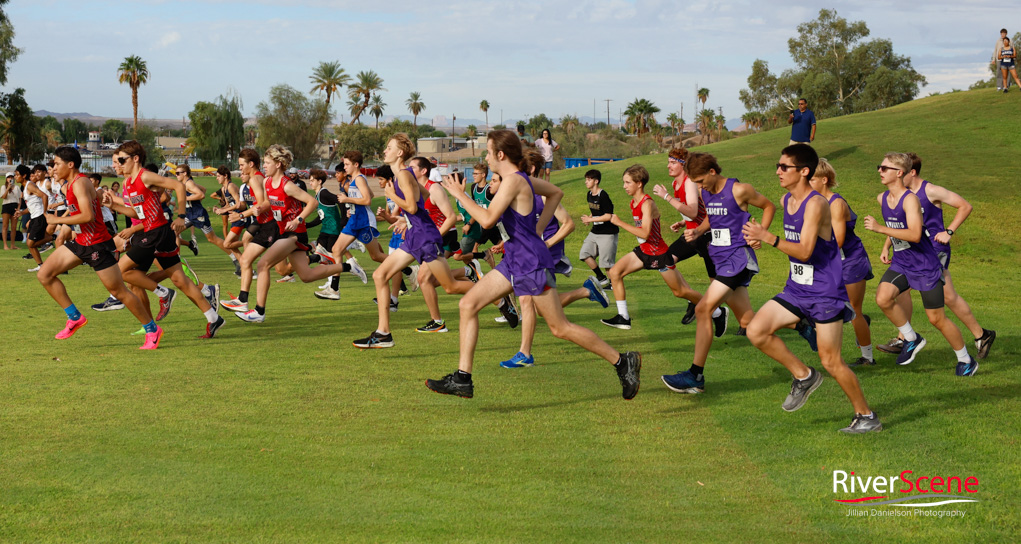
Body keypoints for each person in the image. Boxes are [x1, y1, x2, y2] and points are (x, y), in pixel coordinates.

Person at [427, 129, 641, 400]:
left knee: (559, 328)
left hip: (531, 262)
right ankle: (462, 378)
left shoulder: (514, 181)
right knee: (467, 304)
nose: (486, 157)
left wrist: (460, 195)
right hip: (516, 259)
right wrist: (537, 230)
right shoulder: (519, 179)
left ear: (500, 154)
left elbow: (488, 220)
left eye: (488, 152)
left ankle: (623, 361)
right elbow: (556, 192)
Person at [741, 144, 881, 433]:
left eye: (784, 167)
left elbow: (805, 250)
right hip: (796, 288)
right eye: (777, 166)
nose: (778, 171)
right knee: (756, 330)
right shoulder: (786, 200)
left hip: (825, 293)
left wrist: (767, 237)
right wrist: (759, 238)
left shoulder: (817, 204)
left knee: (831, 360)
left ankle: (866, 416)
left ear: (803, 171)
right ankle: (803, 375)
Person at [352, 134, 490, 349]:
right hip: (415, 234)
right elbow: (423, 196)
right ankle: (383, 334)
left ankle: (497, 295)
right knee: (380, 275)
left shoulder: (403, 176)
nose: (385, 150)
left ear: (399, 153)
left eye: (389, 147)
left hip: (425, 237)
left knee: (451, 287)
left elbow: (413, 206)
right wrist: (405, 219)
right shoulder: (403, 175)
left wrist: (392, 196)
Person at [660, 152, 778, 394]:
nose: (699, 186)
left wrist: (761, 234)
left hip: (737, 259)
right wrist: (696, 231)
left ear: (712, 172)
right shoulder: (706, 191)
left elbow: (768, 206)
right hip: (721, 258)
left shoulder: (740, 189)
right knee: (748, 321)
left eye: (701, 181)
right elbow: (714, 219)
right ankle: (802, 324)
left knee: (703, 309)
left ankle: (695, 375)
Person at [861, 153, 978, 376]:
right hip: (903, 263)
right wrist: (886, 245)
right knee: (883, 298)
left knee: (937, 319)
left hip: (925, 265)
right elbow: (896, 224)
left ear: (900, 173)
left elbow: (914, 234)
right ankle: (911, 338)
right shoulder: (882, 198)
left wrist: (879, 229)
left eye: (884, 168)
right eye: (880, 167)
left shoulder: (910, 199)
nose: (879, 171)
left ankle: (966, 360)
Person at [35, 146, 160, 348]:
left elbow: (88, 216)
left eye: (57, 163)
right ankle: (74, 317)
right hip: (81, 242)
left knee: (120, 292)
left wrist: (57, 220)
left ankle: (152, 329)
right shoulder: (69, 185)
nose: (54, 167)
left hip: (97, 245)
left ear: (70, 164)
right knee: (45, 274)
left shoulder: (81, 183)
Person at [102, 141, 225, 340]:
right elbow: (136, 212)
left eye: (122, 160)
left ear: (135, 159)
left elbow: (178, 186)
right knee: (180, 280)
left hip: (156, 232)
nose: (119, 164)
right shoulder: (128, 183)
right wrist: (113, 206)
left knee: (120, 271)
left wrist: (181, 215)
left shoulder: (145, 176)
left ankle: (163, 293)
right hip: (155, 232)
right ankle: (213, 318)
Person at [233, 145, 346, 322]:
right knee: (306, 276)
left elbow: (311, 203)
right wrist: (260, 208)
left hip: (295, 234)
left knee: (263, 264)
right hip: (282, 232)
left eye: (267, 163)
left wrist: (298, 220)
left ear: (278, 164)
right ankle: (347, 267)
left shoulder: (288, 185)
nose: (264, 166)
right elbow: (271, 203)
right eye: (264, 162)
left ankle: (259, 311)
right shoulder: (267, 182)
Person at [599, 164, 704, 331]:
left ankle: (717, 311)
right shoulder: (634, 203)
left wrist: (619, 223)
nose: (624, 186)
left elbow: (645, 233)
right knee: (614, 272)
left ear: (639, 183)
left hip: (659, 254)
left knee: (681, 292)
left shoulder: (647, 203)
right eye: (624, 182)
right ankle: (623, 317)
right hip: (644, 251)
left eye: (627, 182)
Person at [805, 159, 876, 366]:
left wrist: (810, 251)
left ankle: (867, 358)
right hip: (829, 261)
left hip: (851, 261)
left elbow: (838, 240)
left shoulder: (836, 204)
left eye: (812, 179)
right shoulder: (813, 202)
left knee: (854, 309)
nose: (808, 183)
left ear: (824, 180)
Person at [653, 147, 717, 327]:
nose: (668, 166)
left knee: (718, 285)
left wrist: (666, 197)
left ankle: (743, 321)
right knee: (665, 260)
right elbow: (692, 212)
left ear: (683, 165)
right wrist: (682, 222)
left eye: (673, 162)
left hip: (706, 235)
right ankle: (691, 298)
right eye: (668, 162)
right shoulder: (676, 184)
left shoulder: (689, 182)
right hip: (691, 234)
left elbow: (694, 210)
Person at [221, 149, 276, 313]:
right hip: (264, 225)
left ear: (251, 164)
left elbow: (262, 204)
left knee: (297, 272)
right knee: (245, 260)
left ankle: (334, 263)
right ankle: (242, 300)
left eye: (242, 165)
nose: (240, 168)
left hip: (270, 225)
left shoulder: (255, 179)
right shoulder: (257, 178)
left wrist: (240, 215)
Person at [579, 169, 618, 289]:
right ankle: (602, 278)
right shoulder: (589, 194)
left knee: (607, 263)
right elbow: (596, 211)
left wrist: (590, 220)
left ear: (596, 181)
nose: (586, 182)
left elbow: (608, 216)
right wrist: (589, 217)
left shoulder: (603, 195)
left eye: (589, 179)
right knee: (584, 254)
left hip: (607, 232)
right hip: (595, 231)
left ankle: (614, 285)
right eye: (586, 179)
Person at [210, 166, 245, 276]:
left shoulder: (231, 186)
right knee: (233, 247)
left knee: (227, 244)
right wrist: (220, 209)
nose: (217, 178)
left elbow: (239, 204)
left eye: (218, 176)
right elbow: (229, 204)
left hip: (240, 217)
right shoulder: (223, 189)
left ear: (225, 176)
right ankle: (245, 269)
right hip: (234, 218)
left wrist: (224, 210)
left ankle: (252, 243)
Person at [19, 164, 52, 271]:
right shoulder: (25, 188)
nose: (15, 177)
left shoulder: (29, 185)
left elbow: (44, 196)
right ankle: (40, 265)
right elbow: (30, 207)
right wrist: (21, 213)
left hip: (39, 216)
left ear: (24, 175)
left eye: (16, 175)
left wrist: (44, 211)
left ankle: (51, 239)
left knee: (30, 243)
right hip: (34, 217)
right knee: (30, 244)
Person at [2, 172, 21, 249]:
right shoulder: (3, 187)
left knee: (14, 227)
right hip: (6, 206)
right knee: (5, 226)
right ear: (6, 179)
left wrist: (19, 208)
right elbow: (3, 196)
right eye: (8, 177)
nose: (10, 179)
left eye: (11, 177)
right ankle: (5, 245)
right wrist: (8, 188)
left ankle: (13, 245)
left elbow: (20, 199)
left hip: (15, 206)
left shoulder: (17, 187)